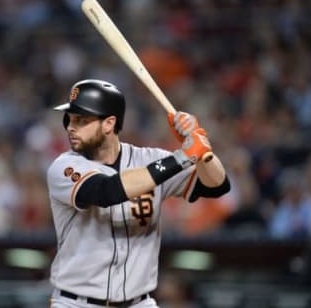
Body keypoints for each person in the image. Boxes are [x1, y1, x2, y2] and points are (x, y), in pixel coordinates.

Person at [46, 79, 230, 308]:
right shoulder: (64, 167)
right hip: (76, 303)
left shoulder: (149, 159)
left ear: (109, 124)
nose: (71, 127)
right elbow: (107, 191)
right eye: (70, 120)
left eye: (82, 120)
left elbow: (217, 185)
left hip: (138, 303)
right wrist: (182, 157)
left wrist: (200, 148)